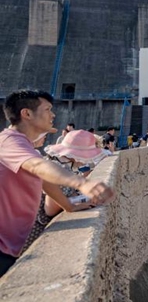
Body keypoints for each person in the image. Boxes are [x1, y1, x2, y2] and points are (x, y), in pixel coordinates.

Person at [0, 90, 114, 277]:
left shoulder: (22, 144)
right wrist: (81, 183)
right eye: (48, 109)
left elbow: (42, 178)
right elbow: (38, 166)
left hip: (10, 246)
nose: (53, 115)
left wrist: (68, 205)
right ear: (26, 114)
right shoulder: (9, 142)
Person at [20, 130, 109, 253]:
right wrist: (75, 203)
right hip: (31, 231)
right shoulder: (60, 171)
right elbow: (50, 209)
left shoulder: (55, 164)